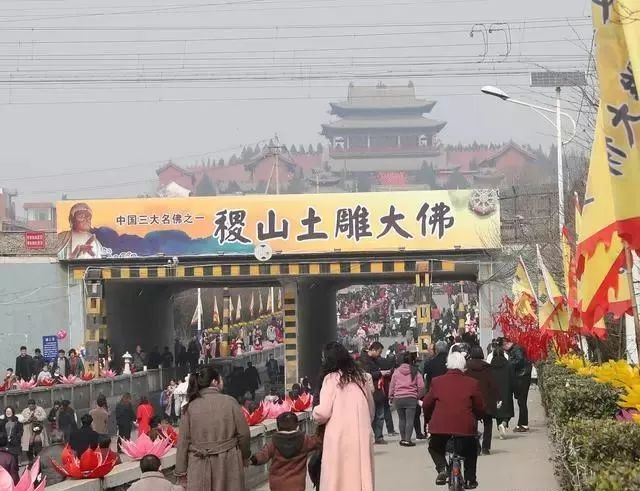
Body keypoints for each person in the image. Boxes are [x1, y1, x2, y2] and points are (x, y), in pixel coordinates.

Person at [174, 365, 251, 491]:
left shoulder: (189, 407)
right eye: (221, 379)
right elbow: (244, 434)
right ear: (215, 382)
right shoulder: (230, 402)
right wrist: (245, 455)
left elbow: (183, 442)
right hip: (228, 462)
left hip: (199, 464)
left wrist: (181, 472)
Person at [312, 342, 375, 491]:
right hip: (361, 435)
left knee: (338, 478)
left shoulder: (331, 379)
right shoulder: (361, 378)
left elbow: (323, 412)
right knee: (359, 475)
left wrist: (314, 413)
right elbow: (371, 409)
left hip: (339, 438)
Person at [423, 352, 485, 489]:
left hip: (440, 427)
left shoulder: (437, 382)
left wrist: (427, 420)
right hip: (465, 427)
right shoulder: (472, 383)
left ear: (448, 365)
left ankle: (442, 469)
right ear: (464, 367)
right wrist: (479, 416)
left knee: (434, 447)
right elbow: (480, 406)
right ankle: (470, 480)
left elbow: (427, 404)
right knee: (470, 450)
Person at [250, 411, 319, 491]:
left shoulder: (273, 443)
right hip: (297, 485)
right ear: (297, 427)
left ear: (277, 428)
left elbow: (262, 456)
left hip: (277, 485)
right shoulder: (305, 440)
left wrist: (252, 459)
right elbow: (318, 441)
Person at [466, 345, 498, 455]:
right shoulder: (487, 368)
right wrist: (497, 398)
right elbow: (493, 385)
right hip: (487, 401)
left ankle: (475, 446)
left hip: (472, 401)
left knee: (472, 424)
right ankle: (485, 447)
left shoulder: (467, 368)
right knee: (488, 424)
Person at [389, 352, 425, 447]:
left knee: (402, 419)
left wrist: (391, 396)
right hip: (411, 397)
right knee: (410, 420)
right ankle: (408, 440)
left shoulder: (396, 371)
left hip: (399, 398)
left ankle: (403, 438)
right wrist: (417, 396)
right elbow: (421, 386)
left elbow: (392, 385)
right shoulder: (415, 371)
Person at [359, 341, 389, 445]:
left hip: (379, 390)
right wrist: (380, 373)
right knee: (371, 415)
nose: (380, 355)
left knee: (380, 415)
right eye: (379, 352)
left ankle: (379, 436)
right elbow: (367, 375)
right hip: (371, 391)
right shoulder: (364, 360)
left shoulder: (375, 360)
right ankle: (371, 436)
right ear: (374, 350)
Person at [504, 338, 532, 432]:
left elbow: (519, 360)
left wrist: (509, 364)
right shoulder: (515, 349)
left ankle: (523, 424)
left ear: (507, 343)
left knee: (522, 402)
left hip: (522, 378)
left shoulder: (516, 349)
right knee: (521, 402)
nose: (504, 350)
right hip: (522, 377)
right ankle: (521, 423)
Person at [490, 347, 516, 439]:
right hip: (506, 391)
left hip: (495, 392)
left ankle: (500, 427)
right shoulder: (508, 365)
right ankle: (504, 424)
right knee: (507, 412)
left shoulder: (490, 366)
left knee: (498, 412)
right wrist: (514, 390)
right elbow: (513, 379)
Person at [21, 399, 49, 463]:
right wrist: (28, 419)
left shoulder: (40, 409)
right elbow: (21, 419)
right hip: (28, 430)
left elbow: (44, 416)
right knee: (29, 445)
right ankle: (30, 460)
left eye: (32, 406)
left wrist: (37, 418)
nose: (31, 407)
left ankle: (38, 459)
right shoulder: (25, 410)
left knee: (38, 444)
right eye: (29, 406)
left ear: (35, 405)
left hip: (38, 428)